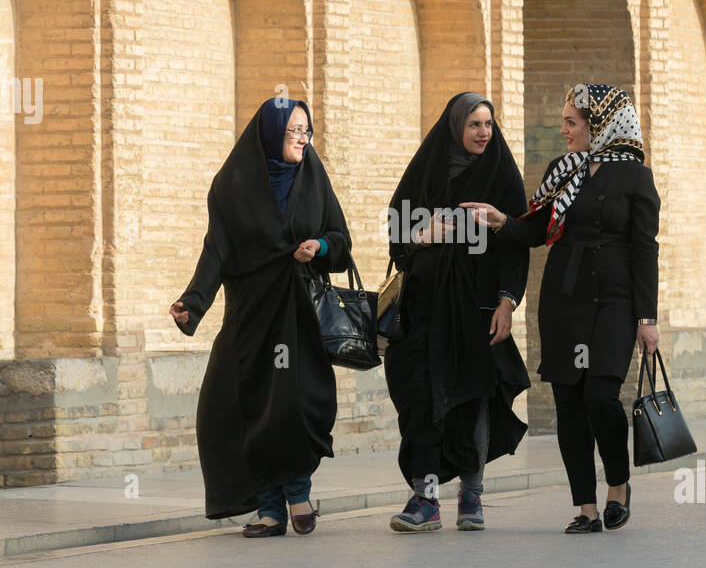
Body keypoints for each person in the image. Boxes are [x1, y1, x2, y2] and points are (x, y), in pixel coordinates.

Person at [462, 82, 660, 535]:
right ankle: (586, 507)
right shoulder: (563, 171)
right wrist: (503, 223)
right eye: (565, 120)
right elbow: (536, 231)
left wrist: (647, 319)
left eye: (572, 121)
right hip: (564, 299)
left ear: (600, 125)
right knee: (570, 402)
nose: (564, 129)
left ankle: (618, 485)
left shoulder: (634, 176)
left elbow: (645, 249)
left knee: (601, 397)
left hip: (615, 300)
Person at [169, 97, 352, 537]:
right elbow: (217, 250)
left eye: (307, 131)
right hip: (251, 315)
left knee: (296, 405)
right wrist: (192, 302)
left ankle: (298, 493)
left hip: (299, 314)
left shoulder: (313, 177)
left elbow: (341, 241)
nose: (302, 139)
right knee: (244, 407)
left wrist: (320, 248)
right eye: (293, 131)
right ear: (271, 132)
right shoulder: (232, 184)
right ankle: (269, 508)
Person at [385, 92, 531, 532]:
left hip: (478, 308)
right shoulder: (427, 168)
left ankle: (473, 493)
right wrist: (421, 234)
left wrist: (507, 302)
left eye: (488, 124)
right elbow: (395, 228)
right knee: (420, 399)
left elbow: (518, 244)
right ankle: (425, 497)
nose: (483, 132)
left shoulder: (502, 174)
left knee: (473, 400)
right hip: (423, 308)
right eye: (474, 124)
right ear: (456, 127)